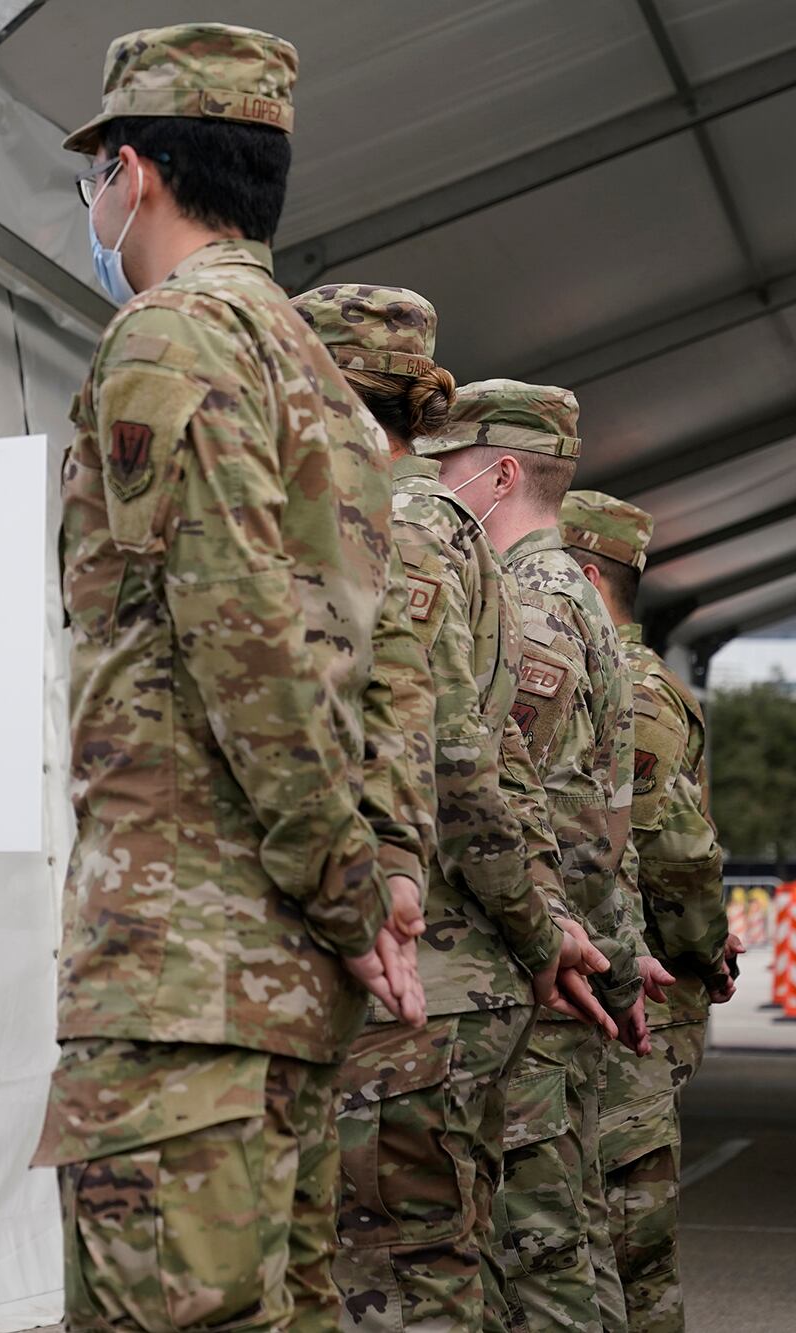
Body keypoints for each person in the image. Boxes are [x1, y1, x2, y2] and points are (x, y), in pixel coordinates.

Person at [29, 26, 428, 1332]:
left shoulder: (170, 339)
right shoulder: (318, 375)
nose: (97, 204)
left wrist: (350, 885)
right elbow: (383, 666)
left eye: (97, 177)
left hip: (181, 976)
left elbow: (241, 635)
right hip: (282, 987)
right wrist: (375, 882)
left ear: (133, 175)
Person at [291, 289, 617, 1331]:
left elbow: (451, 752)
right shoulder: (447, 529)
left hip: (420, 971)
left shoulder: (398, 523)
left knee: (399, 1278)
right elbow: (505, 754)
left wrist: (536, 924)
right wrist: (548, 920)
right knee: (442, 1261)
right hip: (453, 973)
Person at [429, 381, 655, 1333]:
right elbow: (611, 809)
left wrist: (567, 945)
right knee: (565, 1243)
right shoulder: (585, 604)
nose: (437, 489)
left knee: (534, 1258)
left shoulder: (530, 604)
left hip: (534, 973)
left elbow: (538, 807)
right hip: (568, 962)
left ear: (502, 472)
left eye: (448, 468)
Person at [564, 491, 741, 1333]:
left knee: (627, 1236)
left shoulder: (633, 688)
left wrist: (704, 950)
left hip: (636, 996)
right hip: (600, 986)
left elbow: (675, 847)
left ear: (590, 575)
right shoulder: (615, 676)